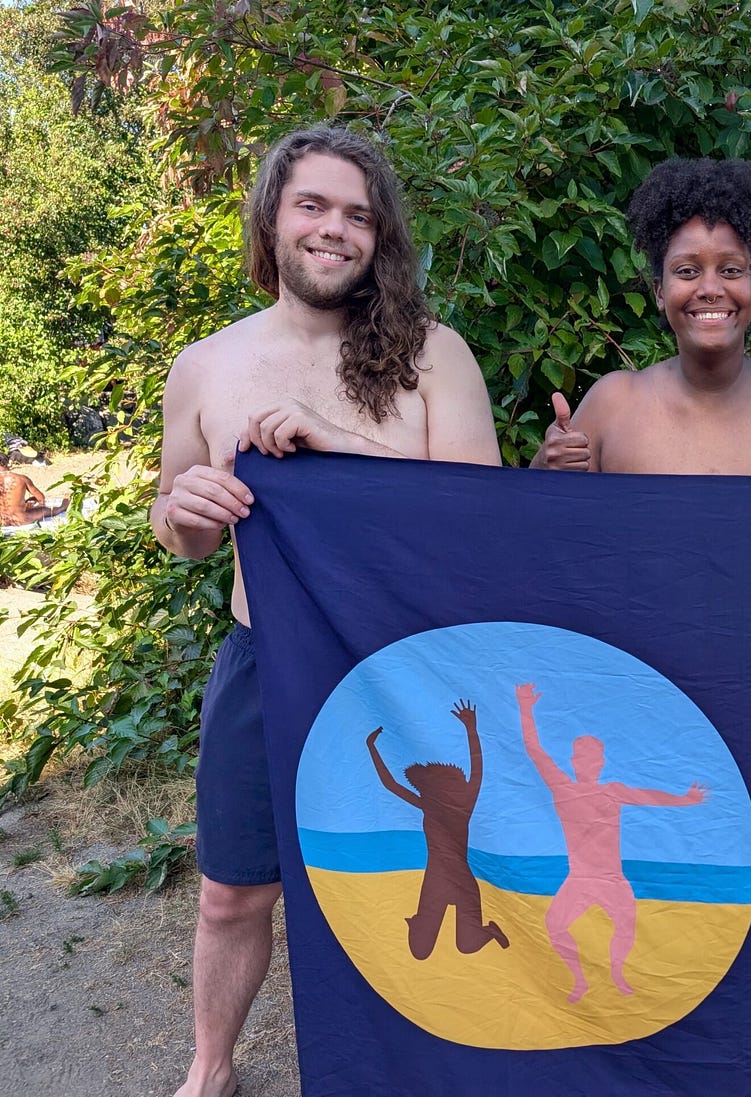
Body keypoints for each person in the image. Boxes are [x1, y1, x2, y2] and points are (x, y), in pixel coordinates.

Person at [151, 126, 501, 1097]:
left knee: (394, 883)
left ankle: (431, 1061)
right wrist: (181, 513)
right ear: (272, 217)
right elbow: (180, 523)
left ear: (380, 236)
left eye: (358, 213)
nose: (334, 228)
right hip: (267, 660)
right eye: (313, 204)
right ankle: (210, 1068)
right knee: (231, 892)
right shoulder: (206, 366)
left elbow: (482, 516)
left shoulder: (433, 355)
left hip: (409, 669)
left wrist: (340, 445)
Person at [531, 157, 751, 475]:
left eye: (732, 270)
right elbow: (532, 519)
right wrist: (549, 466)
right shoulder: (613, 405)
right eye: (688, 271)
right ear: (660, 292)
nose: (710, 288)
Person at [515, 683, 708, 1003]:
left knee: (626, 924)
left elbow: (649, 797)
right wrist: (525, 707)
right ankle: (580, 981)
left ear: (600, 763)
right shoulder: (562, 788)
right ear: (574, 760)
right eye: (582, 756)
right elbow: (534, 749)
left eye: (594, 757)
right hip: (578, 880)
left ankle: (617, 973)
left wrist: (686, 800)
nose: (588, 762)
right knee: (554, 926)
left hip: (612, 880)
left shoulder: (612, 791)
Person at [367, 700, 510, 961]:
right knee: (419, 952)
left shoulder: (464, 804)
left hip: (462, 879)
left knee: (466, 945)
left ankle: (489, 930)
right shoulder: (428, 806)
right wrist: (372, 747)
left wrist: (471, 728)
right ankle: (418, 922)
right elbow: (390, 784)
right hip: (435, 880)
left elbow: (478, 770)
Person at [0, 451, 67, 526]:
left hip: (2, 521)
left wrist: (25, 503)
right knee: (44, 510)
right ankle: (62, 507)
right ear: (5, 463)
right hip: (20, 519)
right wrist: (38, 505)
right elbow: (41, 498)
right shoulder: (21, 478)